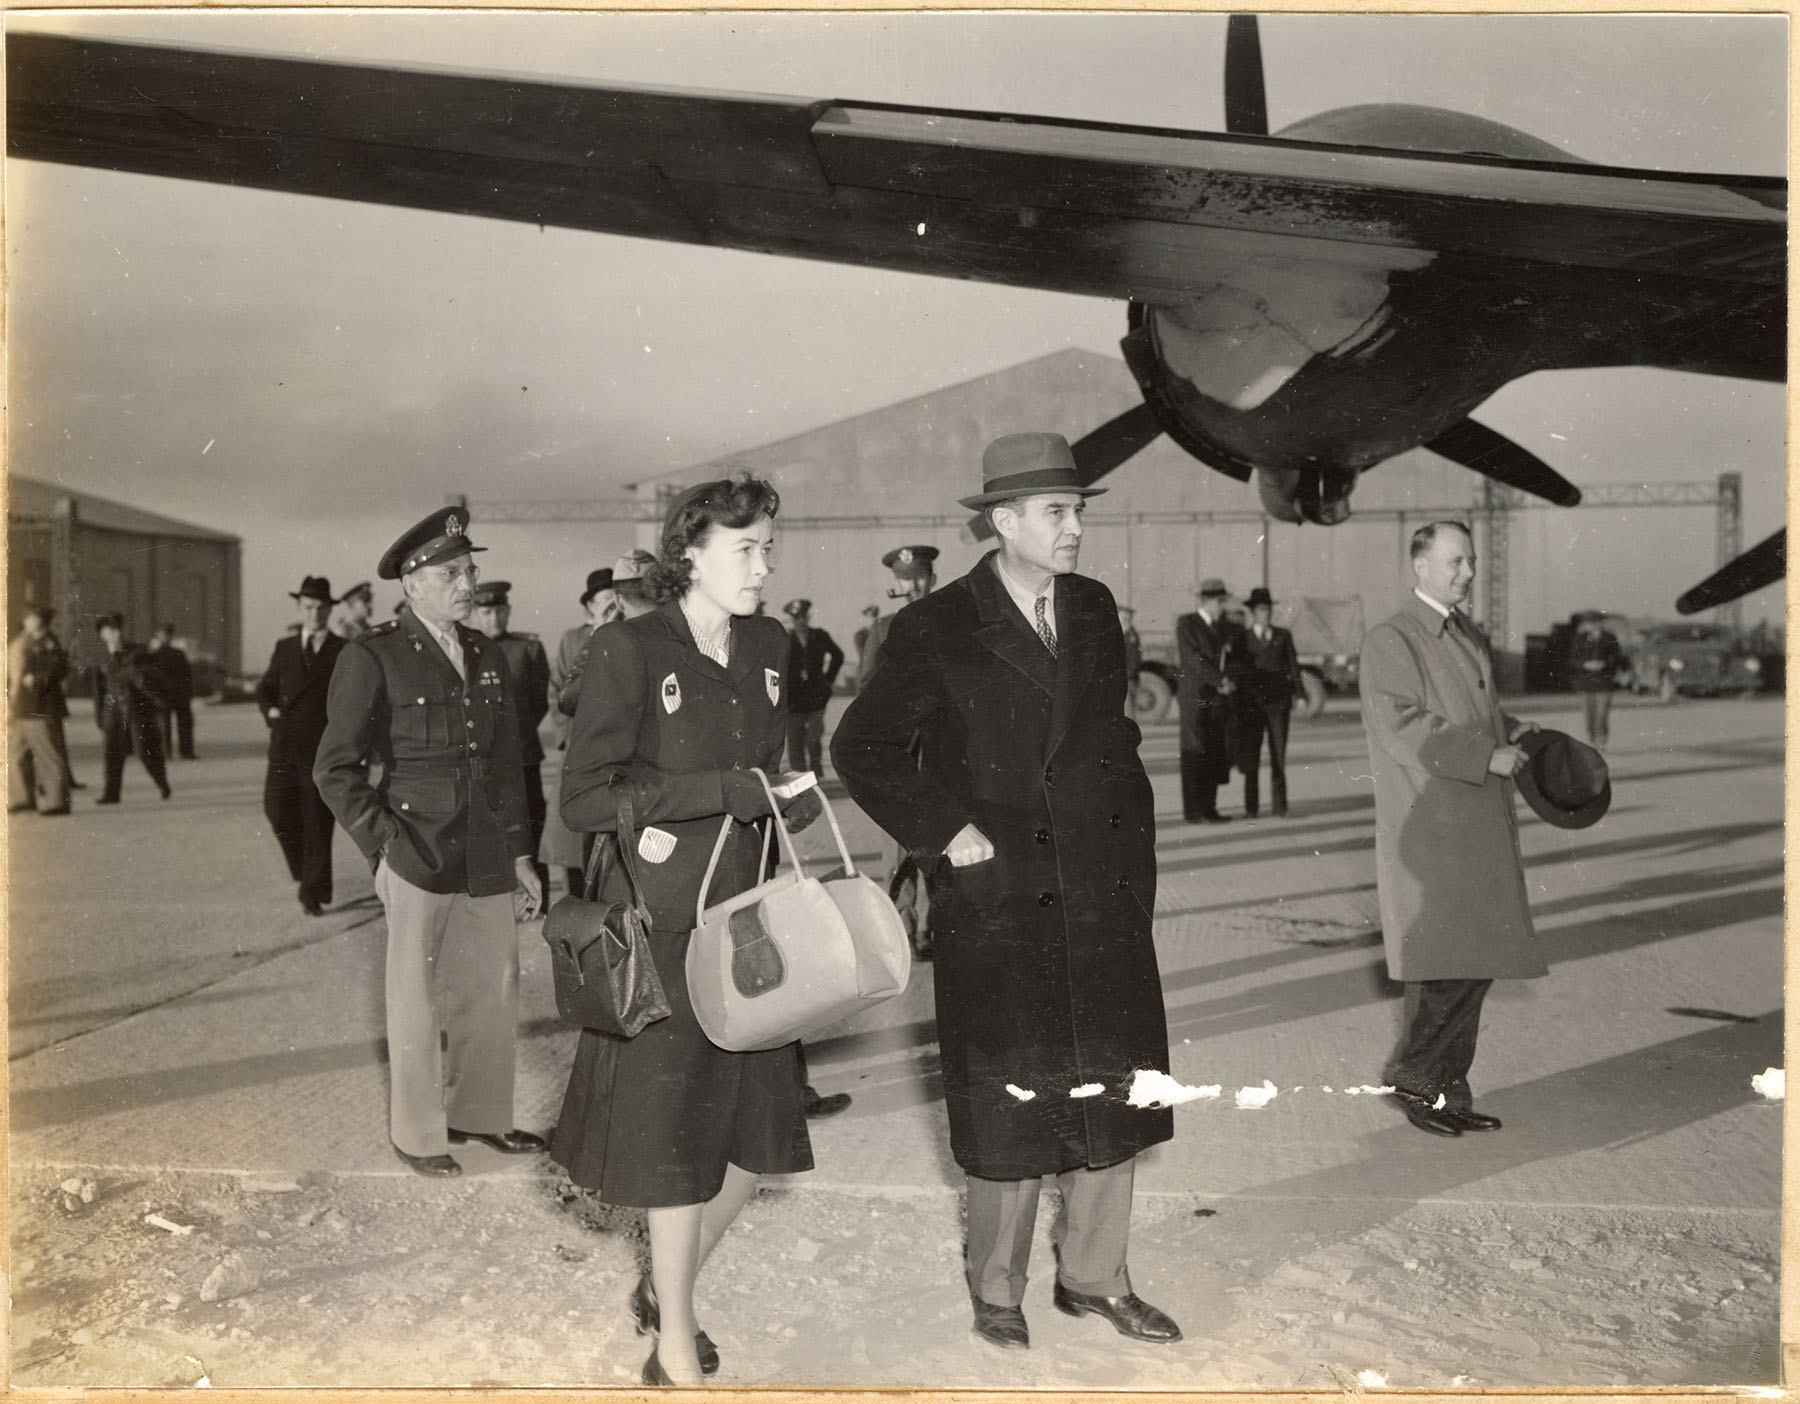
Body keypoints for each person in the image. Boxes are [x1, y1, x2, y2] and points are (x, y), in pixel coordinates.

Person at [833, 432, 1180, 1354]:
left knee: (1112, 1086)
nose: (1074, 530)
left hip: (1100, 890)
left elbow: (1111, 742)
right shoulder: (935, 626)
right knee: (1009, 1099)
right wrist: (947, 832)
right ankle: (997, 1288)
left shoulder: (1095, 608)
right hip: (1001, 897)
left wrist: (1132, 861)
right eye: (1057, 514)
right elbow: (862, 749)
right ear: (1003, 521)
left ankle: (1097, 1277)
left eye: (1078, 512)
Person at [549, 474, 822, 1388]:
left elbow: (770, 767)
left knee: (754, 1144)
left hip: (750, 920)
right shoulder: (629, 649)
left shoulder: (772, 644)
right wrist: (718, 795)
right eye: (746, 549)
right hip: (663, 925)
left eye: (769, 548)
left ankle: (671, 1287)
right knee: (673, 1144)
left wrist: (790, 802)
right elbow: (585, 797)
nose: (764, 565)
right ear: (690, 554)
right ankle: (674, 1340)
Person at [314, 506, 545, 1178]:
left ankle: (481, 1116)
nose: (466, 582)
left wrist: (523, 853)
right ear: (412, 584)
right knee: (414, 995)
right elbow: (334, 767)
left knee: (492, 986)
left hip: (486, 848)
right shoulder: (374, 656)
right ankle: (418, 1135)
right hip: (415, 846)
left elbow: (508, 763)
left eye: (470, 570)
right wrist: (383, 844)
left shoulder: (487, 654)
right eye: (451, 573)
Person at [1360, 521, 1545, 1137]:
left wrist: (1510, 730)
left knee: (1475, 959)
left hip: (1473, 822)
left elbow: (1471, 712)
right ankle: (1418, 1080)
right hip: (1433, 827)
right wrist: (1482, 756)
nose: (1466, 573)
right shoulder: (1395, 637)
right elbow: (1402, 724)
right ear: (1419, 566)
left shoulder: (1461, 630)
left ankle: (1448, 1089)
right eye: (1454, 562)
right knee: (1446, 965)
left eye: (1469, 562)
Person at [542, 551, 660, 893]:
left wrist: (602, 636)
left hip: (616, 779)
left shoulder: (610, 638)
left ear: (619, 600)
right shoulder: (678, 634)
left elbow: (569, 697)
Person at [855, 542, 943, 962]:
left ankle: (930, 928)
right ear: (896, 585)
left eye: (920, 578)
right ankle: (903, 927)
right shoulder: (883, 629)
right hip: (899, 756)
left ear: (933, 579)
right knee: (897, 849)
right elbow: (865, 690)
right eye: (906, 581)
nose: (914, 586)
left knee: (940, 845)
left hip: (943, 757)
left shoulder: (953, 624)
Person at [257, 578, 349, 916]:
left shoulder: (343, 650)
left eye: (322, 608)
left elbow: (353, 700)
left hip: (322, 751)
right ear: (300, 609)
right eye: (309, 607)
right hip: (283, 747)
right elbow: (265, 688)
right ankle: (304, 873)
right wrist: (270, 711)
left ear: (330, 610)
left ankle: (313, 890)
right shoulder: (284, 648)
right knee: (276, 810)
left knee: (317, 821)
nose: (315, 614)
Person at [471, 579, 552, 894]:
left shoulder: (528, 649)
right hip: (481, 756)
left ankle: (539, 894)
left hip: (522, 753)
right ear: (476, 614)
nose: (493, 619)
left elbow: (539, 701)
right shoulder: (466, 648)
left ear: (508, 611)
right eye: (486, 612)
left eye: (499, 611)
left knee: (531, 822)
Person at [1229, 587, 1301, 818]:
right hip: (1252, 705)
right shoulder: (1242, 638)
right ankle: (1252, 809)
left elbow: (1293, 666)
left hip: (1278, 705)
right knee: (1252, 756)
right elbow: (1236, 669)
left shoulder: (1283, 635)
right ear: (1252, 612)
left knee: (1278, 755)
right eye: (1261, 609)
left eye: (1269, 609)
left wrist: (1299, 695)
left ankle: (1280, 807)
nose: (1266, 613)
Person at [1175, 578, 1241, 823]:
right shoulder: (1187, 624)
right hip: (1195, 698)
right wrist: (1220, 680)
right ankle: (1193, 812)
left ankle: (1210, 809)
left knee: (1214, 751)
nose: (1222, 606)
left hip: (1216, 698)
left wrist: (1226, 680)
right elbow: (1194, 660)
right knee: (1194, 750)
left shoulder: (1220, 626)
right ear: (1207, 601)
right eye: (1220, 601)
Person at [90, 613, 171, 805]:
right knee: (111, 753)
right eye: (109, 631)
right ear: (102, 634)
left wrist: (122, 653)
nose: (113, 634)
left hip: (135, 710)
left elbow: (145, 675)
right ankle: (111, 793)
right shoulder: (101, 658)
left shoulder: (137, 652)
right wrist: (99, 717)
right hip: (112, 711)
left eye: (116, 630)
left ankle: (162, 782)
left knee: (145, 751)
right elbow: (98, 692)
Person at [8, 606, 72, 815]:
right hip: (23, 707)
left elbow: (59, 667)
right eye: (27, 618)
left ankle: (57, 801)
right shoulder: (25, 641)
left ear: (41, 621)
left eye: (31, 618)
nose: (28, 621)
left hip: (39, 707)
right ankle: (22, 797)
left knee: (47, 754)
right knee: (17, 753)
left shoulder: (48, 643)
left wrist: (36, 680)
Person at [780, 597, 844, 775]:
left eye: (803, 617)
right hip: (793, 699)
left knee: (813, 739)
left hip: (816, 696)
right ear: (792, 619)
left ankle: (816, 774)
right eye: (796, 617)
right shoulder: (784, 640)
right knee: (795, 742)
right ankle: (799, 779)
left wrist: (828, 679)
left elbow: (838, 656)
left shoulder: (820, 636)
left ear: (808, 617)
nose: (800, 621)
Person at [1568, 611, 1628, 750]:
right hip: (1586, 681)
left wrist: (1604, 664)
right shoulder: (1581, 638)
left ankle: (1601, 740)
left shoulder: (1609, 637)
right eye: (1590, 623)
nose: (1594, 625)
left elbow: (1617, 657)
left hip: (1604, 681)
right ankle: (1592, 738)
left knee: (1602, 714)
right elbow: (1573, 659)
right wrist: (1584, 664)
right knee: (1589, 715)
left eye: (1597, 622)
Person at [143, 623, 198, 760]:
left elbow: (187, 674)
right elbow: (148, 677)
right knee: (163, 725)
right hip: (163, 696)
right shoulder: (152, 655)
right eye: (163, 634)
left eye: (168, 634)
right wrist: (154, 696)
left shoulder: (178, 654)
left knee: (185, 723)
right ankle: (165, 752)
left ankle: (187, 752)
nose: (166, 637)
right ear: (157, 636)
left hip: (180, 695)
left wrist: (189, 693)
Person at [1119, 604, 1142, 712]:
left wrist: (1126, 675)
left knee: (1128, 711)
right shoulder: (1122, 633)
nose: (1123, 620)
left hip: (1127, 679)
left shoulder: (1131, 635)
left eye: (1125, 618)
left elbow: (1135, 659)